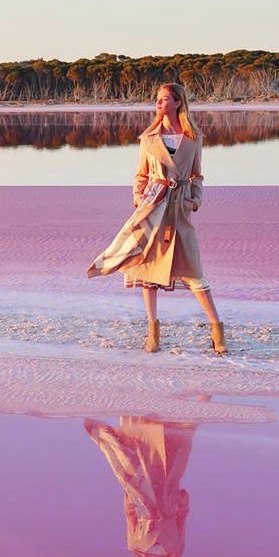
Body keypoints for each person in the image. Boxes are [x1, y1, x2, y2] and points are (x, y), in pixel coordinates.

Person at [85, 83, 226, 355]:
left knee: (194, 272)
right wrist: (140, 198)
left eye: (164, 100)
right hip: (154, 206)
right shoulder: (148, 138)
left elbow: (197, 175)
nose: (158, 104)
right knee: (148, 269)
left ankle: (217, 328)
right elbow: (140, 174)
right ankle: (153, 331)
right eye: (157, 100)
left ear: (177, 103)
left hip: (180, 209)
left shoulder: (193, 137)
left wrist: (194, 200)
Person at [83, 417, 195, 557]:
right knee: (178, 447)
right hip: (167, 498)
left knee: (132, 461)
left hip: (144, 501)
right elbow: (181, 521)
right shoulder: (174, 552)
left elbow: (130, 517)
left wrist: (129, 495)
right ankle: (196, 401)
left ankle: (136, 418)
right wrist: (183, 504)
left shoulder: (134, 547)